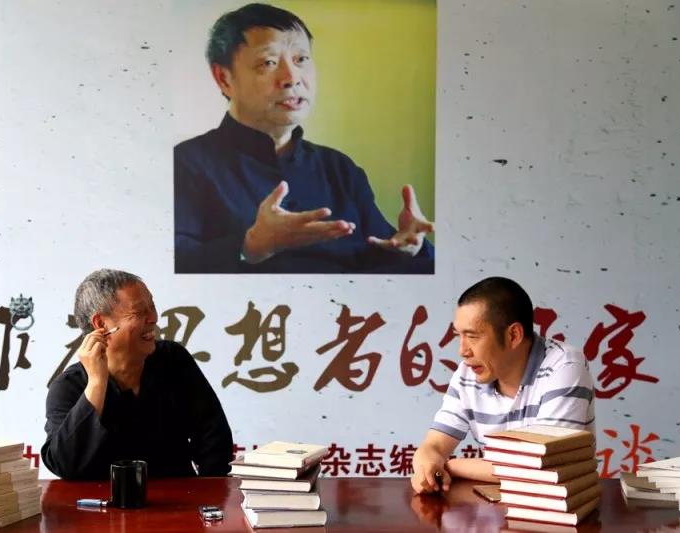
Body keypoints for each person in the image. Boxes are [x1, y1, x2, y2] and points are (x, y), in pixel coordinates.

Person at [174, 2, 435, 274]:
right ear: (224, 78)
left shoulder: (339, 168)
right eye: (269, 62)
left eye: (301, 60)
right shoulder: (186, 163)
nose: (291, 78)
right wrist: (251, 247)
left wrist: (412, 247)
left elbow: (379, 252)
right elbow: (167, 265)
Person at [41, 269, 233, 480]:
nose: (153, 318)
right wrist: (96, 383)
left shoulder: (172, 360)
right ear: (101, 324)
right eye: (140, 311)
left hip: (179, 496)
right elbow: (65, 465)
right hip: (104, 500)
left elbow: (213, 437)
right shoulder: (68, 387)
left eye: (152, 306)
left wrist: (208, 490)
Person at [411, 277, 595, 494]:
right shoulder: (468, 373)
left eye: (472, 336)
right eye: (459, 336)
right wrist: (427, 466)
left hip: (556, 507)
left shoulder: (564, 366)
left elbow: (542, 466)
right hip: (493, 504)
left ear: (513, 335)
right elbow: (433, 446)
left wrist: (450, 465)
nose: (463, 351)